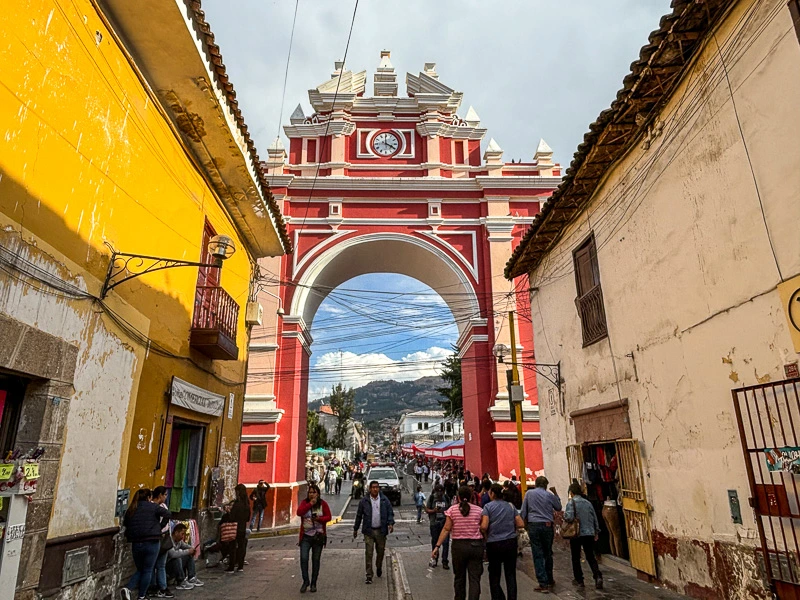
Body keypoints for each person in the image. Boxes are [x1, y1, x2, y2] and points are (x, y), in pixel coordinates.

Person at [432, 486, 484, 600]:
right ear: (471, 496)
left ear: (458, 497)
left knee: (459, 577)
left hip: (458, 547)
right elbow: (483, 528)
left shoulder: (452, 510)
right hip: (476, 546)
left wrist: (437, 546)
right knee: (475, 579)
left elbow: (446, 529)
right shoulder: (479, 511)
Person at [120, 489, 170, 600]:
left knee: (141, 569)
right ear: (148, 497)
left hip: (136, 543)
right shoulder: (153, 507)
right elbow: (167, 514)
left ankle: (128, 589)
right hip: (152, 542)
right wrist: (160, 527)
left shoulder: (131, 509)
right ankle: (141, 596)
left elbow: (126, 523)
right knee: (147, 570)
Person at [481, 484, 525, 600]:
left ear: (492, 494)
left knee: (494, 575)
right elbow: (520, 523)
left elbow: (484, 526)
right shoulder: (511, 506)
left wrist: (484, 534)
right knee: (510, 574)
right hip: (510, 543)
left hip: (494, 544)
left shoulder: (488, 507)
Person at [521, 476, 562, 593]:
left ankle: (543, 583)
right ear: (546, 485)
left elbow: (523, 511)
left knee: (537, 553)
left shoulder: (529, 494)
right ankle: (550, 579)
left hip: (534, 525)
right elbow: (558, 507)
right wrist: (556, 494)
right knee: (548, 553)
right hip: (547, 525)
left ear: (535, 484)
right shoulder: (549, 495)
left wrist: (521, 524)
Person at [353, 480, 395, 584]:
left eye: (377, 487)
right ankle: (369, 575)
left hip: (381, 530)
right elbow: (359, 515)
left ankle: (379, 566)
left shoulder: (384, 500)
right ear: (370, 489)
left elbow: (390, 512)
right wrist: (355, 528)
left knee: (380, 552)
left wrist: (390, 523)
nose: (375, 489)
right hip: (369, 531)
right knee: (369, 553)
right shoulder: (364, 501)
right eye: (373, 487)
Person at [564, 483, 603, 590]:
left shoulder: (571, 503)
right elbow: (594, 517)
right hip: (589, 533)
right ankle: (597, 576)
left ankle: (579, 580)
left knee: (576, 557)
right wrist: (596, 531)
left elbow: (569, 517)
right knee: (590, 556)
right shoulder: (587, 503)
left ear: (571, 492)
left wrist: (565, 515)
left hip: (576, 534)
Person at [297, 483, 331, 593]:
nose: (312, 494)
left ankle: (313, 583)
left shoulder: (323, 504)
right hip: (306, 536)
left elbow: (329, 517)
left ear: (318, 494)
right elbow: (299, 512)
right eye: (310, 492)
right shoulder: (304, 503)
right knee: (304, 558)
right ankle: (305, 581)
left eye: (314, 492)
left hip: (318, 537)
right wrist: (310, 504)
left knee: (316, 560)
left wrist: (319, 519)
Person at [166, 523, 204, 590]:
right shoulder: (169, 541)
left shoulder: (179, 542)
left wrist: (192, 549)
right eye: (182, 534)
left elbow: (186, 546)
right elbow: (173, 554)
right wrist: (188, 551)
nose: (183, 536)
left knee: (188, 556)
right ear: (176, 533)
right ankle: (181, 581)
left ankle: (191, 577)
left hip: (174, 567)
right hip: (168, 568)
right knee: (177, 559)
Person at [150, 486, 173, 599]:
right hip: (157, 537)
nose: (166, 497)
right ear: (160, 495)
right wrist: (160, 528)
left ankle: (161, 587)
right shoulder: (154, 507)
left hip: (163, 537)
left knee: (160, 565)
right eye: (165, 495)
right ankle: (155, 587)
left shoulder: (163, 506)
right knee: (153, 565)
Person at [226, 484, 251, 573]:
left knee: (232, 547)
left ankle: (231, 567)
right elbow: (248, 518)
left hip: (234, 527)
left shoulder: (237, 504)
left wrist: (229, 512)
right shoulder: (246, 504)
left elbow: (232, 517)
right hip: (242, 527)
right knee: (241, 547)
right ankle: (240, 566)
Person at [426, 484, 451, 570]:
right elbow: (427, 509)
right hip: (434, 523)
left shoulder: (446, 498)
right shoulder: (432, 498)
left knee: (446, 543)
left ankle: (445, 561)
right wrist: (434, 510)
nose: (440, 494)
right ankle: (435, 559)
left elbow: (450, 509)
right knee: (435, 542)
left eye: (441, 492)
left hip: (444, 524)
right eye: (438, 492)